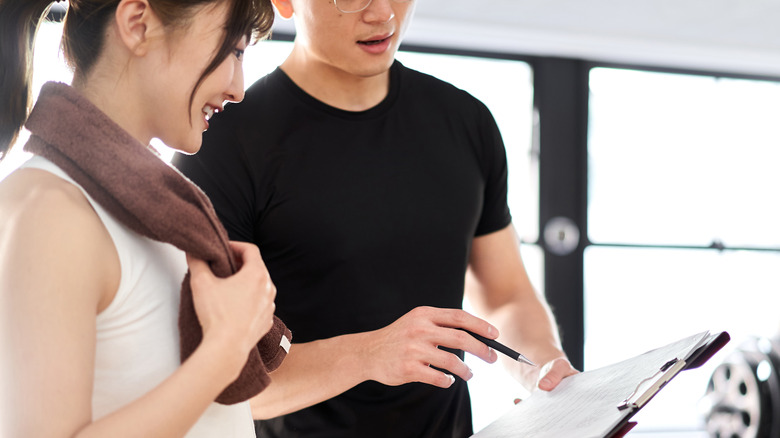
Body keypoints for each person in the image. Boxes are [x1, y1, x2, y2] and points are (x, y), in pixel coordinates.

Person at [173, 0, 579, 436]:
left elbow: (505, 295)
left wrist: (542, 367)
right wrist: (369, 353)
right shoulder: (220, 142)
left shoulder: (467, 122)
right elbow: (223, 378)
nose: (383, 13)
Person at [0, 0, 291, 436]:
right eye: (232, 50)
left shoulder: (160, 212)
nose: (239, 88)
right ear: (137, 25)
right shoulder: (50, 209)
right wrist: (225, 350)